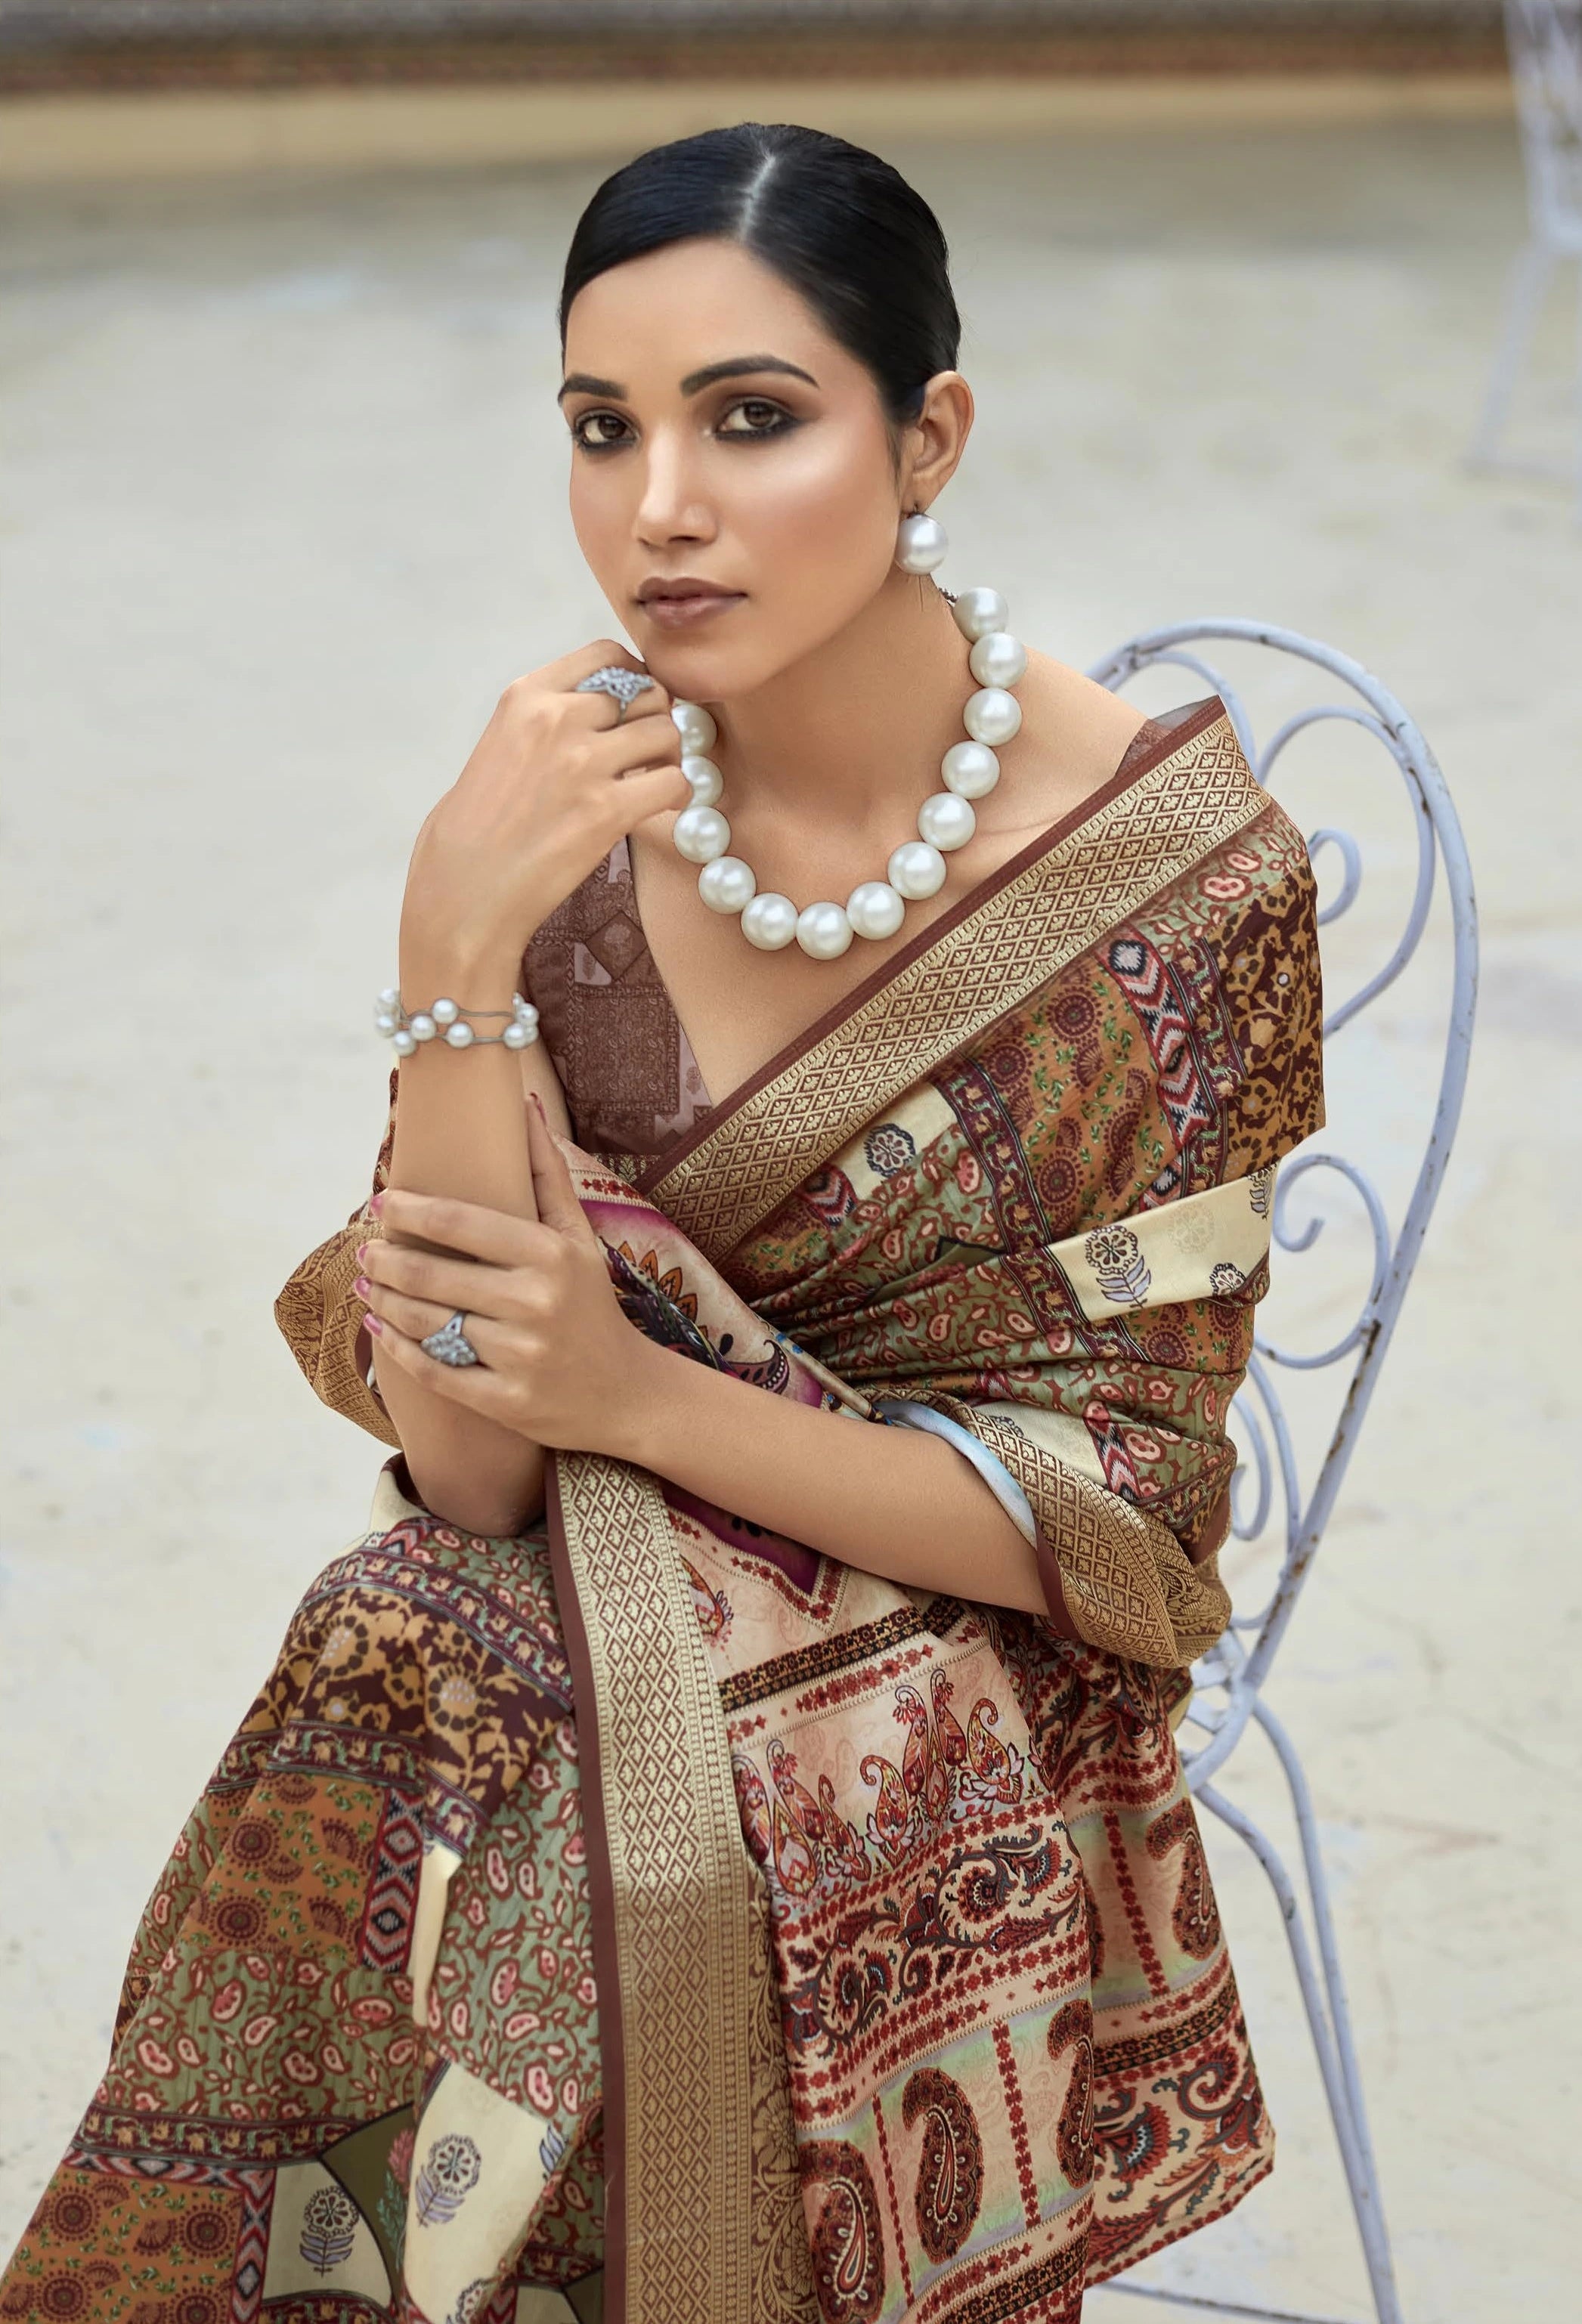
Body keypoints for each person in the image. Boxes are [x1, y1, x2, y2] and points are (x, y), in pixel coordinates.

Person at [1, 124, 1323, 2324]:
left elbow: (1135, 1536)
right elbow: (472, 1456)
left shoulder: (1178, 892)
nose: (658, 511)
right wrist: (455, 944)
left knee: (472, 1672)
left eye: (753, 418)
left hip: (976, 1637)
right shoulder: (575, 809)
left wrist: (633, 1389)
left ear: (930, 440)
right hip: (566, 1562)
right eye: (601, 430)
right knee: (442, 1612)